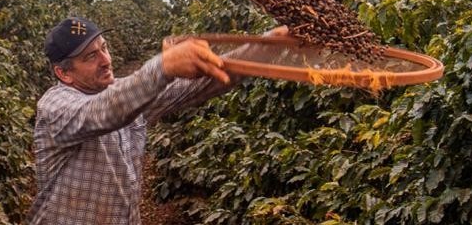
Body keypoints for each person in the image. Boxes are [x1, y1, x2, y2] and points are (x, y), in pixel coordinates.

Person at [28, 16, 285, 224]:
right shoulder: (54, 107)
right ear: (63, 73)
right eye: (90, 57)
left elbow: (203, 83)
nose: (106, 60)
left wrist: (268, 45)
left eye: (103, 48)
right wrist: (163, 67)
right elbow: (100, 113)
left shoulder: (124, 94)